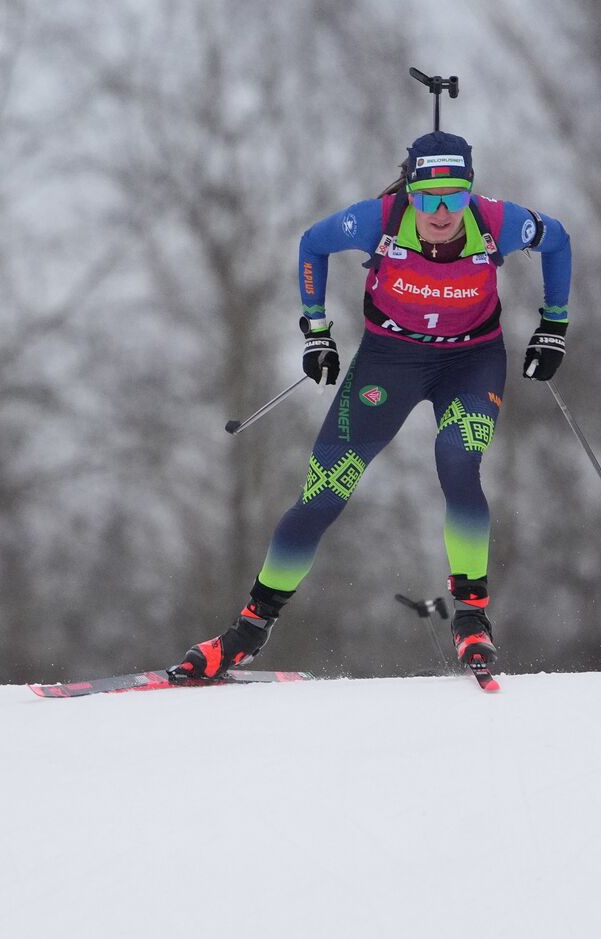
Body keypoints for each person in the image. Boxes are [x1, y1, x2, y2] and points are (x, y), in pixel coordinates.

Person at [168, 130, 571, 679]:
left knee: (458, 462)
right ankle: (247, 632)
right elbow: (312, 242)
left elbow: (559, 239)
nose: (442, 211)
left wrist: (554, 325)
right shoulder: (376, 219)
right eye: (428, 197)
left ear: (470, 191)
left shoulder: (498, 222)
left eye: (455, 196)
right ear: (411, 191)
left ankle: (471, 616)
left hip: (471, 363)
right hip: (389, 363)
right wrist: (315, 330)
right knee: (322, 494)